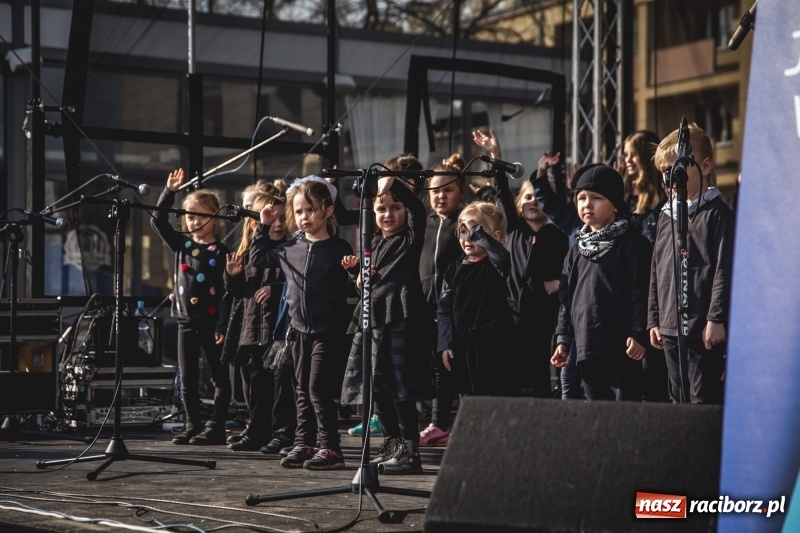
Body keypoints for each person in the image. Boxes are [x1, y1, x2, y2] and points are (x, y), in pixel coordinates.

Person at [249, 176, 354, 470]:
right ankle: (303, 443)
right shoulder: (290, 248)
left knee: (318, 387)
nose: (303, 216)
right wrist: (264, 224)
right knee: (301, 389)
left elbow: (352, 286)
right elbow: (257, 258)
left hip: (328, 331)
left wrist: (354, 272)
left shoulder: (338, 247)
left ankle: (330, 447)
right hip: (298, 331)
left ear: (328, 211)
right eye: (298, 212)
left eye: (310, 209)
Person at [340, 174, 434, 475]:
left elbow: (419, 211)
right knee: (376, 388)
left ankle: (409, 451)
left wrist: (393, 185)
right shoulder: (374, 243)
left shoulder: (409, 239)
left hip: (399, 319)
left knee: (400, 388)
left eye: (395, 208)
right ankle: (392, 444)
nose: (387, 214)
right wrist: (356, 274)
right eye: (381, 209)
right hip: (373, 320)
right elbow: (367, 286)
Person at [473, 129, 570, 397]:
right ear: (518, 204)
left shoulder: (558, 235)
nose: (533, 201)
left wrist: (561, 282)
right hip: (511, 315)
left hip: (542, 319)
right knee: (510, 380)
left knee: (539, 378)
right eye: (527, 196)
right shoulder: (515, 229)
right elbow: (501, 188)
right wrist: (496, 155)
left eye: (538, 197)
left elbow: (574, 268)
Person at [648, 123, 734, 405]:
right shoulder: (665, 216)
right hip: (670, 326)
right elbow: (656, 269)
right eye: (665, 171)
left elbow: (723, 268)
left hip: (701, 328)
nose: (671, 177)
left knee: (702, 399)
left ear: (705, 166)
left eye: (679, 168)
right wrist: (654, 319)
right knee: (677, 397)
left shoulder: (717, 214)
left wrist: (715, 318)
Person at [550, 164, 651, 401]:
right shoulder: (576, 251)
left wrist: (639, 333)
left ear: (615, 204)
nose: (587, 204)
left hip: (623, 348)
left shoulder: (632, 244)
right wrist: (563, 340)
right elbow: (567, 301)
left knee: (625, 413)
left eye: (596, 198)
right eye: (581, 198)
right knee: (598, 416)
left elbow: (641, 292)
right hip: (587, 347)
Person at [151, 168, 231, 445]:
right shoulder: (183, 244)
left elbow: (224, 292)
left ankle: (216, 425)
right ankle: (192, 423)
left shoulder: (222, 252)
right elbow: (158, 221)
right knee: (187, 376)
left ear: (215, 218)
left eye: (200, 215)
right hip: (185, 319)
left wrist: (222, 324)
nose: (193, 220)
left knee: (218, 376)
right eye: (189, 215)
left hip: (210, 322)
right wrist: (169, 191)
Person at [223, 192, 293, 452]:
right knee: (255, 386)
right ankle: (257, 430)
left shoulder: (290, 249)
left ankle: (281, 432)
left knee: (280, 386)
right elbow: (240, 292)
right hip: (253, 328)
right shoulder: (250, 251)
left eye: (282, 218)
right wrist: (232, 278)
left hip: (277, 330)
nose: (277, 223)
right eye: (271, 218)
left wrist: (275, 289)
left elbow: (293, 285)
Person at [437, 199, 516, 396]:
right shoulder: (454, 269)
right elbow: (444, 309)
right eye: (463, 231)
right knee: (468, 399)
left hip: (492, 346)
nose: (468, 237)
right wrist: (445, 343)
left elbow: (502, 256)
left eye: (475, 232)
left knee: (492, 399)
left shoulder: (496, 264)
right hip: (463, 346)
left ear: (495, 236)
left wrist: (475, 228)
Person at [418, 154, 468, 447]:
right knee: (438, 368)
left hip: (455, 309)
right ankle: (438, 423)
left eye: (448, 189)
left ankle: (461, 421)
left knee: (457, 367)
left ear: (461, 192)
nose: (440, 196)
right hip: (427, 309)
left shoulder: (464, 222)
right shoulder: (423, 224)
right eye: (435, 190)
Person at [620, 130, 670, 402]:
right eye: (625, 155)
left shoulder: (665, 201)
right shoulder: (624, 199)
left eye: (632, 154)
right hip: (629, 295)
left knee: (655, 376)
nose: (627, 160)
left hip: (658, 295)